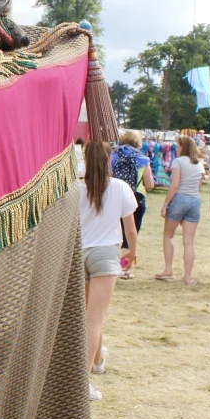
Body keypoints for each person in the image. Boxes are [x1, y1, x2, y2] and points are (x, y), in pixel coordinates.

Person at [78, 140, 138, 401]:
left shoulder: (74, 188)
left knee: (87, 317)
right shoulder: (120, 188)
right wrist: (132, 252)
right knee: (95, 318)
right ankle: (84, 383)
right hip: (105, 252)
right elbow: (130, 228)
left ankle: (98, 360)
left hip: (77, 253)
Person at [155, 135, 204, 285]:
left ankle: (168, 269)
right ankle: (188, 277)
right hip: (194, 200)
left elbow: (174, 185)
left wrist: (165, 205)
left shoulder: (178, 162)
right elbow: (199, 186)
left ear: (182, 147)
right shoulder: (199, 164)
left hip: (179, 198)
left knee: (168, 236)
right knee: (189, 242)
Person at [111, 130, 154, 279]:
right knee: (131, 234)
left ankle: (112, 265)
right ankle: (125, 268)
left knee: (117, 233)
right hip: (137, 197)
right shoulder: (143, 159)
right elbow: (149, 184)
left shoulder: (114, 156)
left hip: (116, 197)